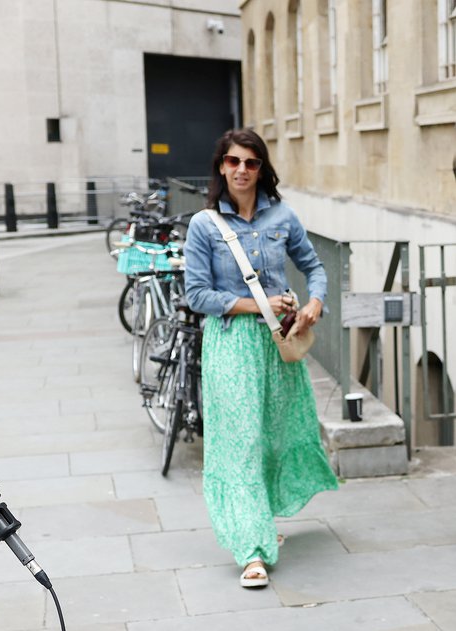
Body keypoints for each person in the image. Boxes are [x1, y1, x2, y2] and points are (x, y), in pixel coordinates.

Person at [183, 128, 338, 589]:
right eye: (233, 162)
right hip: (231, 344)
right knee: (240, 441)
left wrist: (315, 304)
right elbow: (197, 294)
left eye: (251, 163)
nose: (242, 171)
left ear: (262, 168)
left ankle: (259, 522)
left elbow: (314, 267)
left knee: (274, 432)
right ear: (221, 168)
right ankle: (250, 548)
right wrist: (261, 303)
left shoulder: (283, 217)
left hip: (278, 343)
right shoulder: (205, 226)